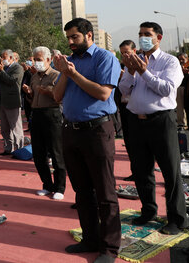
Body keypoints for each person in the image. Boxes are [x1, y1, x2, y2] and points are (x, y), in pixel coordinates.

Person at [53, 18, 121, 263]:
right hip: (71, 131)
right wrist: (64, 73)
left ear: (89, 35)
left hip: (97, 131)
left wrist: (74, 74)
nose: (70, 42)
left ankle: (109, 248)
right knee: (82, 191)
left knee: (105, 191)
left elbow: (103, 93)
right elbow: (57, 96)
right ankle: (90, 238)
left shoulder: (104, 58)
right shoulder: (69, 62)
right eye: (68, 38)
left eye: (75, 37)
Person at [119, 22, 189, 235]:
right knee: (141, 170)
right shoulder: (134, 60)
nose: (143, 38)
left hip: (161, 121)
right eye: (140, 34)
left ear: (158, 37)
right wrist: (131, 72)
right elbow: (123, 90)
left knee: (170, 171)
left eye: (147, 34)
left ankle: (177, 218)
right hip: (136, 122)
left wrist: (144, 72)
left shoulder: (170, 62)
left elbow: (167, 89)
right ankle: (148, 211)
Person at [22, 46, 66, 200]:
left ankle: (60, 187)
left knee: (56, 152)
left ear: (48, 60)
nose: (36, 62)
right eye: (35, 59)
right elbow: (33, 99)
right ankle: (47, 184)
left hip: (52, 114)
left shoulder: (56, 75)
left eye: (39, 59)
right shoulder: (34, 77)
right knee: (39, 154)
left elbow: (59, 97)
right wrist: (30, 93)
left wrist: (48, 91)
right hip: (37, 114)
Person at [0, 49, 24, 155]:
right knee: (5, 128)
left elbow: (12, 81)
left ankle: (19, 149)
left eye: (4, 57)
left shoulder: (18, 68)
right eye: (1, 57)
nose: (2, 60)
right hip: (2, 101)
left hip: (12, 101)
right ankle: (8, 148)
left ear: (11, 58)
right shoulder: (4, 68)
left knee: (15, 127)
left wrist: (1, 70)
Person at [117, 40, 137, 179]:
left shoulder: (141, 66)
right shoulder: (119, 67)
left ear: (134, 51)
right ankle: (135, 171)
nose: (125, 56)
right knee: (129, 141)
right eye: (123, 53)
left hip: (138, 109)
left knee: (139, 143)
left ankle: (143, 172)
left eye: (127, 53)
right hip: (124, 107)